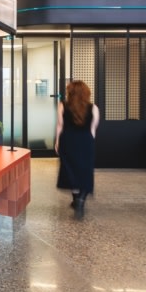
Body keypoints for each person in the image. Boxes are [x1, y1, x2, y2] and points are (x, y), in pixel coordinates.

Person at [55, 80, 100, 219]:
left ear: (70, 93)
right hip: (86, 141)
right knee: (85, 171)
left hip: (68, 141)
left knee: (71, 170)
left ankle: (76, 199)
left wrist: (57, 141)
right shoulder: (93, 108)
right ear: (86, 93)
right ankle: (81, 199)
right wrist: (89, 142)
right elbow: (93, 128)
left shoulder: (62, 106)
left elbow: (60, 125)